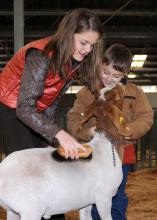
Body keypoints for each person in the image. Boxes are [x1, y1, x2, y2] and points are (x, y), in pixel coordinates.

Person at [0, 8, 104, 160]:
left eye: (92, 45)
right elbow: (24, 108)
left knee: (45, 154)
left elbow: (51, 101)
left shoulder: (73, 61)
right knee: (26, 160)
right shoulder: (40, 55)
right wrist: (59, 134)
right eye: (84, 42)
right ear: (68, 34)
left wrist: (52, 138)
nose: (88, 49)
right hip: (11, 104)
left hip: (33, 108)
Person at [67, 43, 153, 220]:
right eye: (105, 72)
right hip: (93, 155)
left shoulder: (134, 93)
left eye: (116, 75)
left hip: (121, 154)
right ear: (100, 65)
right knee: (91, 195)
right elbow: (73, 118)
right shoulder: (87, 93)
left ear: (125, 74)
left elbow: (146, 116)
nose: (109, 78)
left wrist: (130, 130)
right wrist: (85, 132)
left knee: (116, 195)